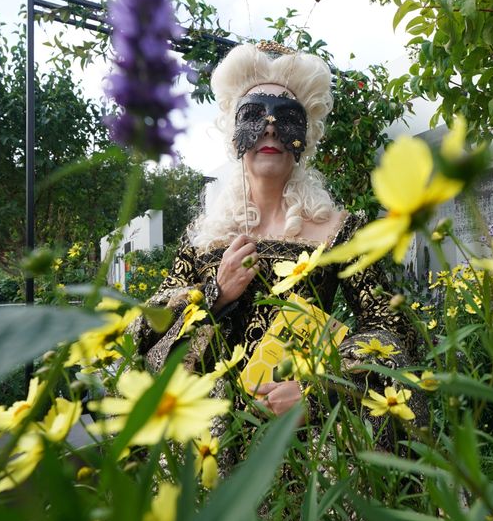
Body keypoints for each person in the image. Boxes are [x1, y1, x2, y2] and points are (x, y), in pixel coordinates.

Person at [129, 42, 421, 431]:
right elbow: (148, 325)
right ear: (234, 135)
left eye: (286, 118)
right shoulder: (202, 238)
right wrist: (216, 293)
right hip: (208, 435)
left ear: (306, 137)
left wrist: (320, 390)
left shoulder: (339, 231)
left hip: (301, 440)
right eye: (253, 115)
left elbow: (390, 326)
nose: (269, 127)